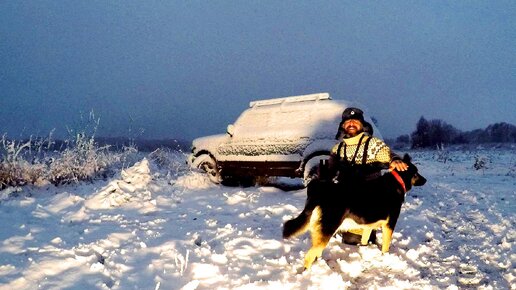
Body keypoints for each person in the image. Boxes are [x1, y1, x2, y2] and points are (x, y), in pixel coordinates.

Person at [327, 107, 408, 244]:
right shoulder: (337, 148)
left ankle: (367, 230)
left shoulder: (373, 144)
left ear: (362, 125)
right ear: (343, 126)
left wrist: (394, 159)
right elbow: (330, 171)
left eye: (355, 121)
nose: (351, 124)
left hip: (367, 202)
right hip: (344, 199)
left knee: (352, 239)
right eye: (348, 122)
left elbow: (388, 154)